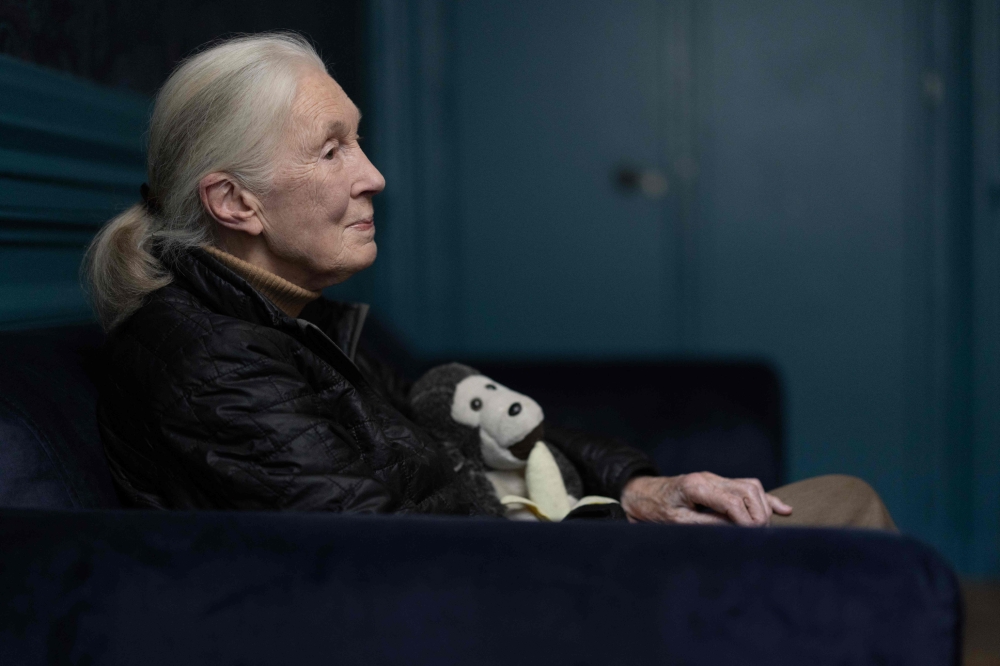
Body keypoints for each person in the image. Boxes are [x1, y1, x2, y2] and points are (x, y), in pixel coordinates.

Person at [85, 33, 894, 530]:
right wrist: (609, 529)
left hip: (524, 554)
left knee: (842, 500)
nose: (374, 176)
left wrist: (637, 485)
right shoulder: (208, 361)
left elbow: (462, 431)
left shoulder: (293, 319)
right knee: (850, 512)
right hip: (514, 593)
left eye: (358, 142)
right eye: (332, 150)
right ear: (234, 201)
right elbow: (379, 556)